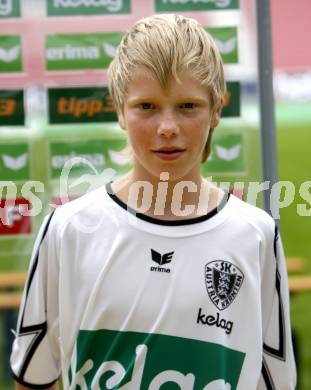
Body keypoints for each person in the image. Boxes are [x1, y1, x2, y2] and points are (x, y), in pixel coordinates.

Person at [11, 14, 296, 390]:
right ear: (119, 111)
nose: (167, 127)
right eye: (146, 106)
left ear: (216, 111)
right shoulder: (70, 229)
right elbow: (35, 379)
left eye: (188, 106)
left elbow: (273, 380)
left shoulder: (254, 234)